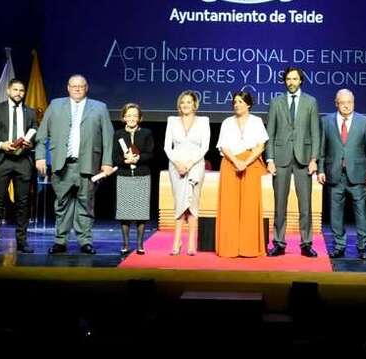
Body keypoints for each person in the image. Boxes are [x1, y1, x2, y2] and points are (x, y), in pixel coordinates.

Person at [35, 75, 113, 255]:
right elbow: (41, 135)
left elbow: (108, 138)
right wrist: (40, 156)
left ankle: (85, 241)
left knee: (86, 205)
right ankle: (60, 241)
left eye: (81, 86)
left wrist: (107, 162)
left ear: (87, 88)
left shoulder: (99, 107)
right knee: (61, 205)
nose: (77, 89)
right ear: (67, 88)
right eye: (74, 86)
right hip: (62, 165)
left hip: (87, 165)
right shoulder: (55, 105)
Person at [317, 89, 366, 260]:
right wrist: (321, 169)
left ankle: (362, 247)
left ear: (354, 103)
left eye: (349, 102)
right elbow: (321, 149)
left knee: (361, 213)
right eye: (342, 102)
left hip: (358, 174)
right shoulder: (326, 121)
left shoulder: (363, 121)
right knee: (335, 213)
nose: (346, 105)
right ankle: (339, 246)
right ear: (336, 103)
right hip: (334, 174)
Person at [265, 67, 320, 257]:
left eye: (295, 79)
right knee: (280, 203)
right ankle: (279, 243)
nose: (291, 82)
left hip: (304, 158)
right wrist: (270, 158)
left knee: (305, 205)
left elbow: (315, 133)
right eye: (288, 79)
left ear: (301, 81)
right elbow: (270, 133)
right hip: (280, 158)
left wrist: (314, 159)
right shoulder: (276, 102)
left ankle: (306, 244)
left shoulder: (310, 102)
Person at [0, 79, 37, 255]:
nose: (19, 93)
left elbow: (35, 130)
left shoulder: (30, 111)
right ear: (8, 90)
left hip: (23, 161)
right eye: (15, 89)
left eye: (22, 90)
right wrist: (0, 145)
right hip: (2, 160)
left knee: (23, 203)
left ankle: (22, 242)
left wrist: (30, 142)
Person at [216, 91, 268, 257]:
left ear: (248, 104)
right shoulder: (227, 122)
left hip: (251, 164)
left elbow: (261, 146)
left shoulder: (257, 121)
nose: (237, 104)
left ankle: (249, 247)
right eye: (235, 102)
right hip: (230, 164)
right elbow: (223, 146)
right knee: (229, 206)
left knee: (250, 206)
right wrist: (236, 161)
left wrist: (246, 162)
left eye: (240, 101)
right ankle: (229, 248)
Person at [163, 90, 210, 256]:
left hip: (196, 165)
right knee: (180, 204)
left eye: (189, 102)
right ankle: (176, 241)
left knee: (192, 204)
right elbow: (167, 146)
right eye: (182, 102)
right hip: (176, 166)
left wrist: (189, 164)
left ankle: (191, 242)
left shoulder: (203, 121)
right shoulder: (172, 121)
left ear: (195, 105)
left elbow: (204, 147)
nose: (185, 105)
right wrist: (178, 163)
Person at [112, 103, 154, 256]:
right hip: (124, 175)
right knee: (125, 212)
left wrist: (138, 158)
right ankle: (125, 244)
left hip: (142, 175)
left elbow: (150, 154)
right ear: (123, 117)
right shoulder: (118, 134)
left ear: (140, 118)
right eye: (128, 115)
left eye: (134, 115)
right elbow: (114, 156)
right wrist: (125, 160)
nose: (131, 118)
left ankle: (140, 244)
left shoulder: (147, 133)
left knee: (141, 212)